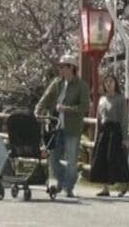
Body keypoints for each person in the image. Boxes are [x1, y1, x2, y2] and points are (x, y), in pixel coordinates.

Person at [34, 54, 90, 198]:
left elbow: (84, 107)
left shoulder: (81, 86)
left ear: (72, 68)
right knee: (53, 158)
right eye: (60, 66)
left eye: (63, 66)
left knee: (71, 160)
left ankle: (68, 187)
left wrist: (67, 109)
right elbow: (45, 98)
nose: (61, 69)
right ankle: (64, 181)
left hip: (72, 128)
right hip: (56, 127)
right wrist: (38, 109)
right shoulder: (57, 83)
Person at [91, 76, 129, 197]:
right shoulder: (102, 99)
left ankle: (124, 183)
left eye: (111, 82)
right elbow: (98, 118)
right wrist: (96, 135)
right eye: (106, 82)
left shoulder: (120, 99)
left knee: (116, 158)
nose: (109, 84)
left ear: (115, 83)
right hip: (104, 131)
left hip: (115, 130)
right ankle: (105, 188)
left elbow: (124, 119)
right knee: (102, 158)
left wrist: (125, 138)